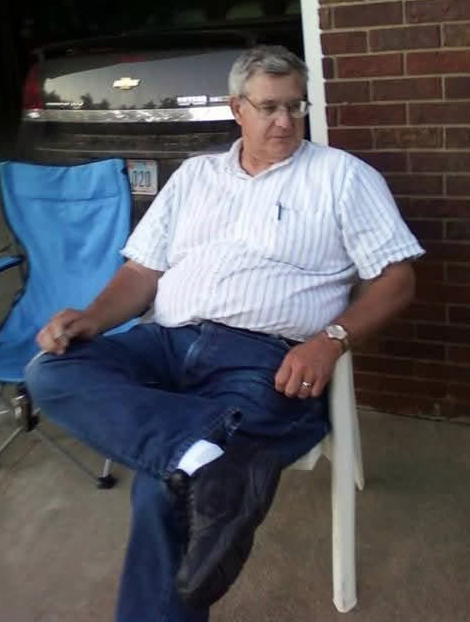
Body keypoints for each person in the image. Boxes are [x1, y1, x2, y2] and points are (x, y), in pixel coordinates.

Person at [25, 45, 424, 622]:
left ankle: (194, 461)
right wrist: (93, 317)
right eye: (269, 107)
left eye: (295, 106)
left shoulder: (342, 177)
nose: (284, 121)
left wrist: (332, 338)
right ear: (237, 109)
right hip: (165, 342)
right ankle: (206, 458)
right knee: (51, 370)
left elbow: (396, 279)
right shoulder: (196, 176)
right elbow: (142, 272)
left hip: (264, 362)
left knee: (164, 490)